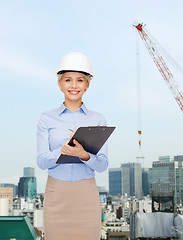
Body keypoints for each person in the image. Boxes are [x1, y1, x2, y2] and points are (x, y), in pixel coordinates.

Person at [37, 52, 108, 239]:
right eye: (68, 80)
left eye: (80, 80)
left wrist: (84, 155)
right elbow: (42, 162)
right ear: (60, 83)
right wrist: (63, 151)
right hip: (56, 194)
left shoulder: (98, 119)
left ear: (87, 84)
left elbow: (102, 165)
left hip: (86, 193)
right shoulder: (46, 118)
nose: (74, 85)